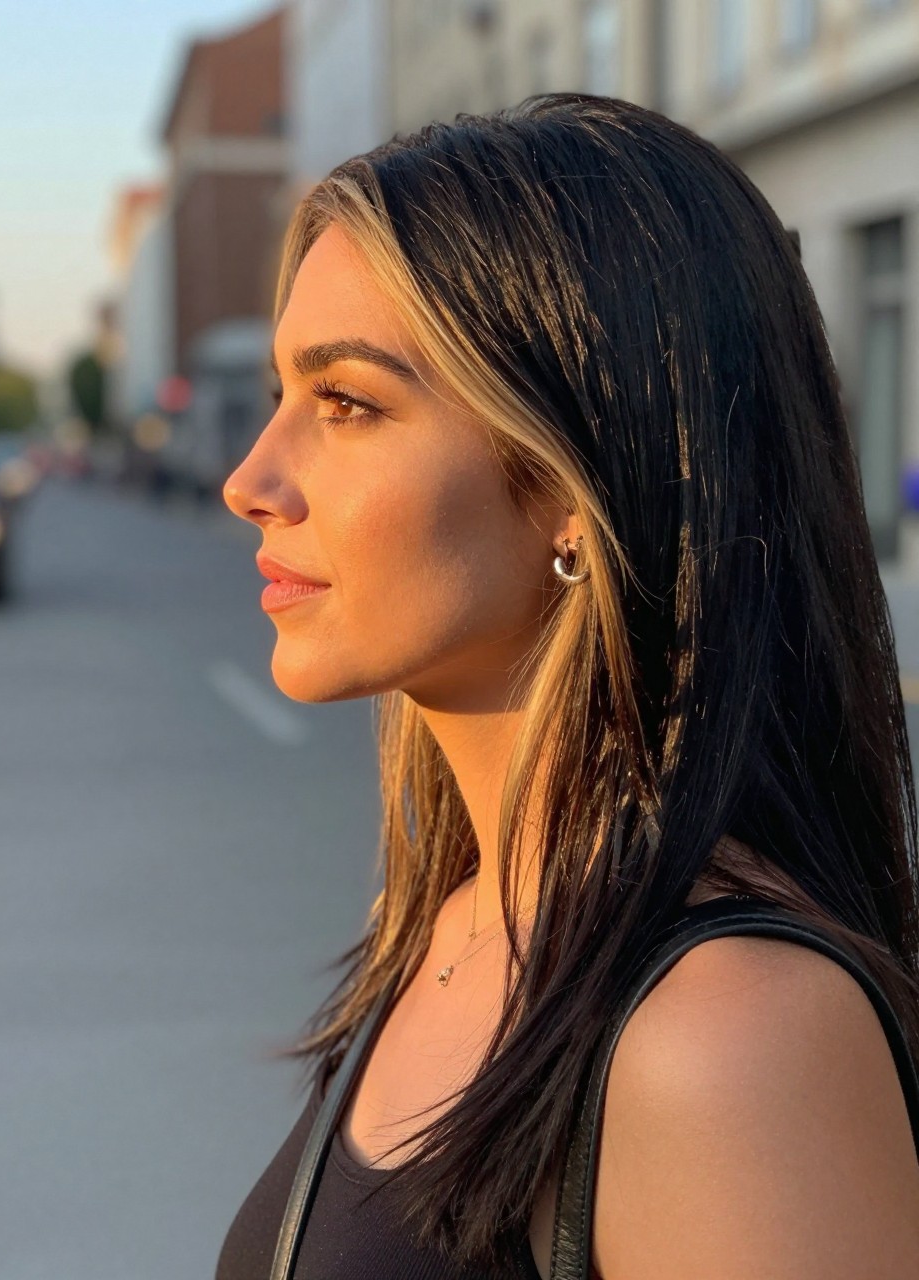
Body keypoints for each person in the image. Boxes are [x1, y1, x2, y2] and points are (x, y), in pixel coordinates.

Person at [217, 94, 919, 1279]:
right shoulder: (466, 919)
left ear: (572, 486)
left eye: (346, 402)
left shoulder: (725, 1033)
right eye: (285, 393)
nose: (250, 478)